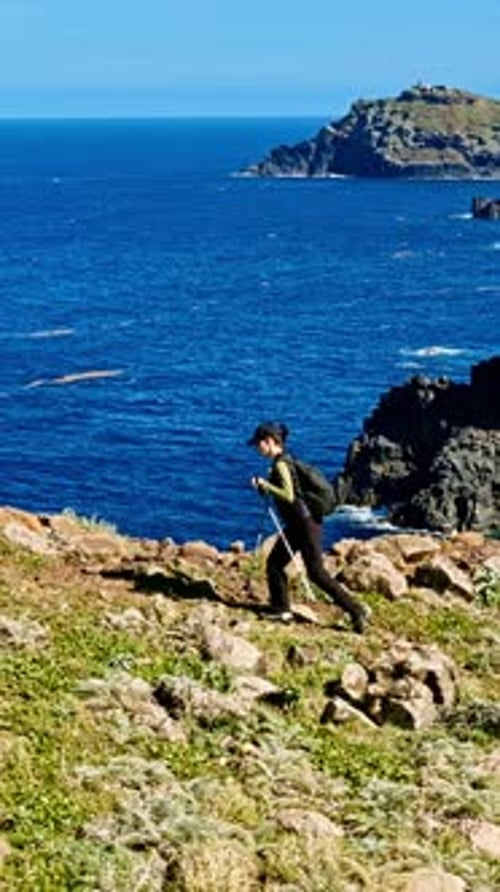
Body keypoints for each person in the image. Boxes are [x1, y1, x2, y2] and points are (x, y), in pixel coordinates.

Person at [248, 421, 369, 633]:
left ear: (269, 442)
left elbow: (288, 494)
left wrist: (264, 484)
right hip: (300, 523)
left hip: (304, 524)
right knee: (275, 563)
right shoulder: (285, 461)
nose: (257, 449)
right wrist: (266, 487)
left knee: (316, 573)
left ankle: (356, 610)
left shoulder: (281, 464)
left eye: (259, 444)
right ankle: (281, 610)